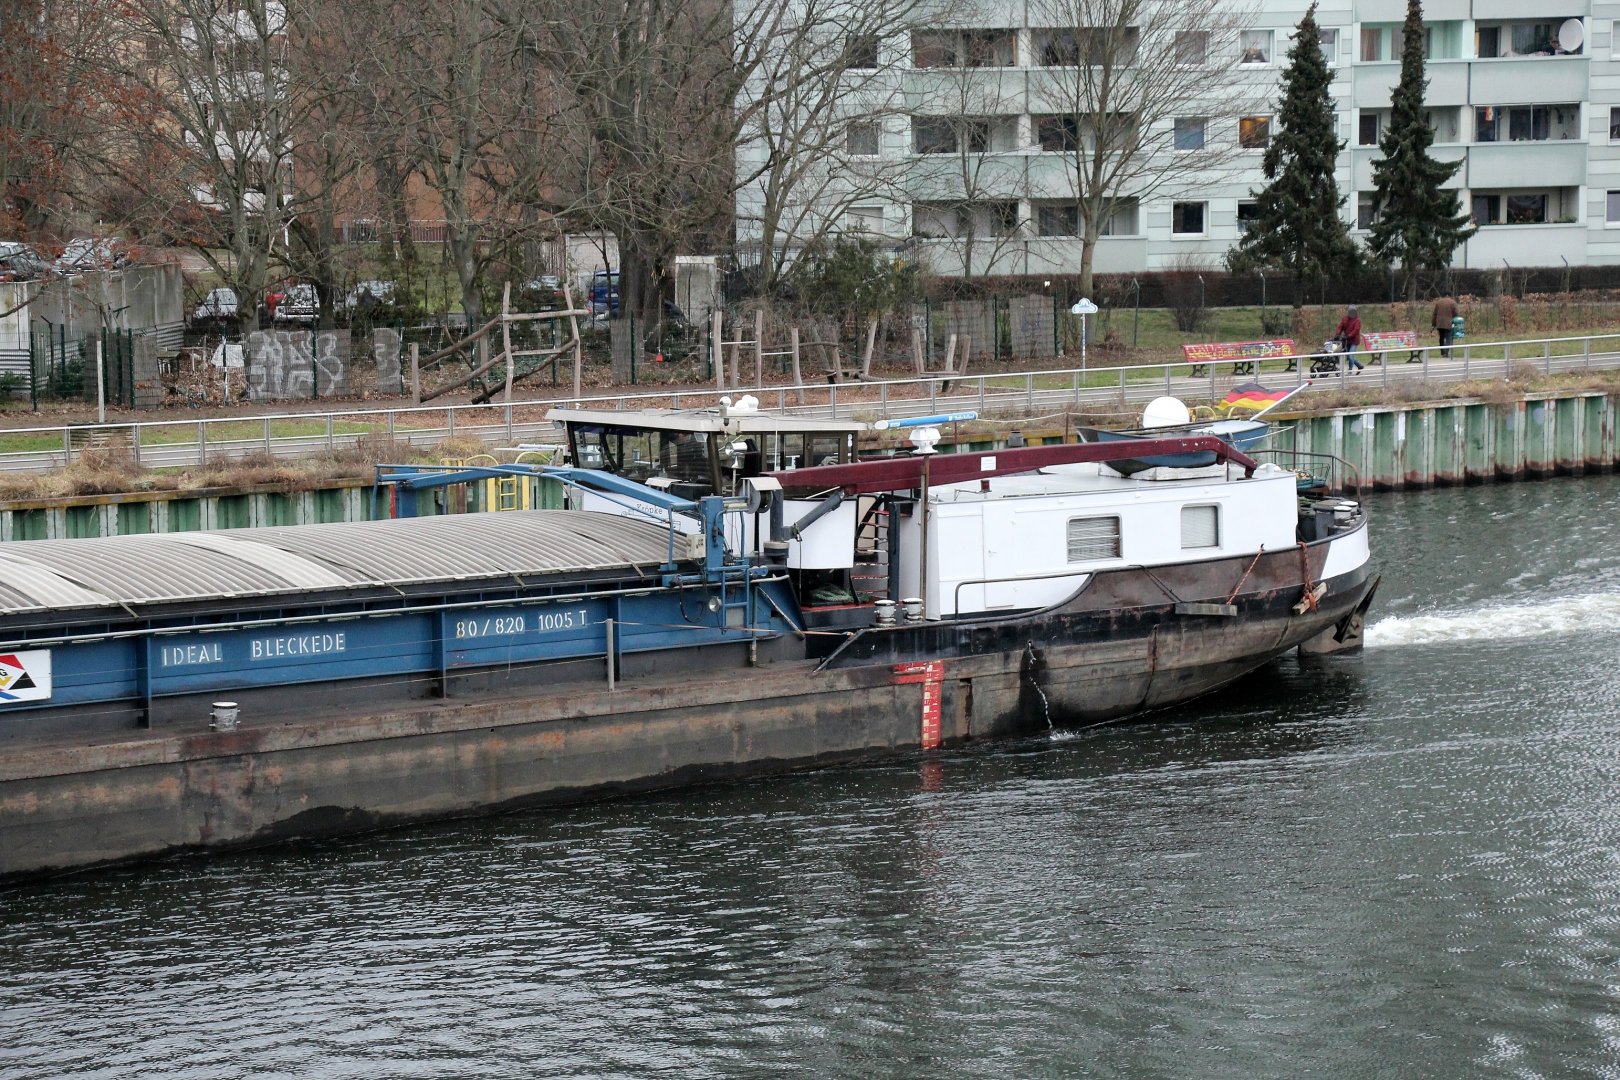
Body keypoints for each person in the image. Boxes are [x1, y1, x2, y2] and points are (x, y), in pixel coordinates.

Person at [1334, 305, 1364, 372]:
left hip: (1354, 341)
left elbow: (1356, 330)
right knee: (1349, 356)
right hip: (1347, 341)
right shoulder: (1345, 318)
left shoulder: (1357, 320)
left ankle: (1350, 370)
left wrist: (1348, 336)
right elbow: (1340, 326)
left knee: (1350, 355)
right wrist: (1337, 334)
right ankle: (1359, 366)